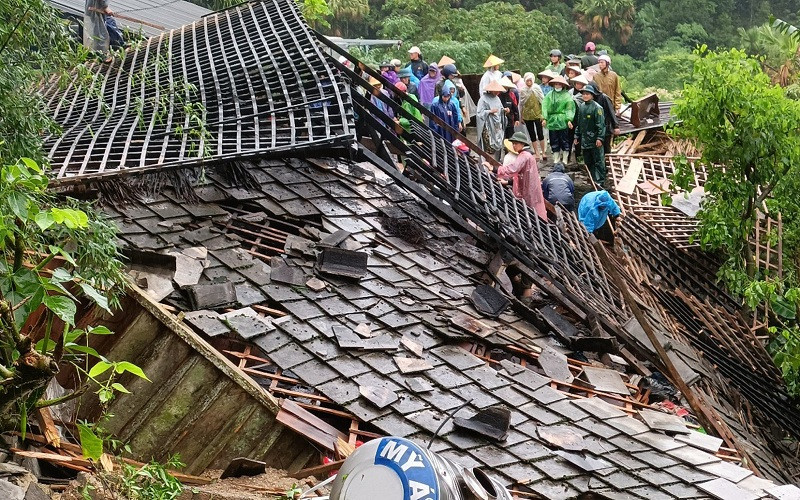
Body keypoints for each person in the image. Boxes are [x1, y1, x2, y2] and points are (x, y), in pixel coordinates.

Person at [496, 132, 547, 220]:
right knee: (533, 211)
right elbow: (519, 175)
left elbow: (513, 169)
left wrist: (495, 168)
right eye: (513, 144)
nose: (514, 146)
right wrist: (508, 181)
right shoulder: (526, 155)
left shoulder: (525, 156)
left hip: (529, 189)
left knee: (533, 212)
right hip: (528, 187)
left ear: (522, 144)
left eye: (515, 143)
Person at [574, 84, 607, 185]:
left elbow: (601, 125)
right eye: (583, 94)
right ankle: (592, 178)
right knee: (588, 161)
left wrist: (600, 138)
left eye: (587, 94)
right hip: (585, 139)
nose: (585, 96)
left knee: (598, 161)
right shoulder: (582, 107)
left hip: (595, 139)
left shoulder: (597, 108)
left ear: (592, 95)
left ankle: (600, 181)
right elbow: (579, 123)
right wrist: (576, 135)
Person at [542, 75, 575, 165]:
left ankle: (564, 159)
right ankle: (556, 159)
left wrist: (569, 119)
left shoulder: (566, 96)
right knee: (554, 140)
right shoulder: (549, 95)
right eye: (556, 84)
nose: (557, 86)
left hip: (563, 121)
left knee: (564, 140)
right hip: (552, 121)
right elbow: (544, 106)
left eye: (559, 84)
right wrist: (545, 118)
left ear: (563, 85)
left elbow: (570, 108)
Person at [476, 80, 507, 161]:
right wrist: (489, 111)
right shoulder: (483, 99)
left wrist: (504, 110)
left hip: (497, 126)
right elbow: (479, 113)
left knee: (498, 144)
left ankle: (495, 162)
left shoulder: (497, 99)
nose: (497, 92)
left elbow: (500, 109)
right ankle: (488, 163)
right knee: (488, 145)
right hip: (487, 125)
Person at [519, 72, 546, 161]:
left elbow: (542, 101)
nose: (529, 82)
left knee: (540, 133)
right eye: (527, 81)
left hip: (538, 113)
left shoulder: (537, 88)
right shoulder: (523, 90)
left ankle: (544, 152)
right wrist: (521, 116)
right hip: (527, 115)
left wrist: (543, 114)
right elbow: (521, 104)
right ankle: (537, 152)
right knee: (532, 134)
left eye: (530, 80)